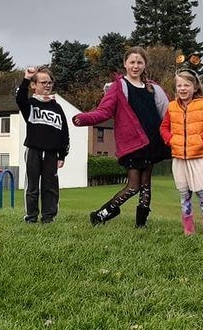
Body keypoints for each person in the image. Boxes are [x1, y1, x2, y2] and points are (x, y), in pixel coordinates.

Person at [73, 46, 169, 227]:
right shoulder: (118, 88)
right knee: (133, 186)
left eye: (139, 62)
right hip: (132, 144)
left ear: (145, 65)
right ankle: (101, 214)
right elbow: (103, 111)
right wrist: (82, 119)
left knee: (146, 184)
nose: (135, 66)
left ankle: (141, 224)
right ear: (125, 64)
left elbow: (169, 112)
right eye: (132, 62)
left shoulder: (153, 88)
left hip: (152, 142)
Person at [160, 66, 203, 237]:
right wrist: (170, 140)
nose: (183, 89)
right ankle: (188, 228)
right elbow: (164, 127)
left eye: (186, 85)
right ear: (176, 88)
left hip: (198, 156)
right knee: (184, 194)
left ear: (195, 87)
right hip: (179, 157)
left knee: (202, 193)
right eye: (179, 86)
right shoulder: (171, 107)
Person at [15, 65, 70, 223]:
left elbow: (63, 132)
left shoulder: (57, 107)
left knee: (50, 187)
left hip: (52, 154)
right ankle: (31, 217)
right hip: (33, 151)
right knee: (32, 186)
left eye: (50, 82)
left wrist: (62, 155)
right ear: (34, 85)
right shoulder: (30, 104)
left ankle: (49, 217)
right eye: (43, 82)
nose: (47, 85)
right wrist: (26, 78)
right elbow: (20, 99)